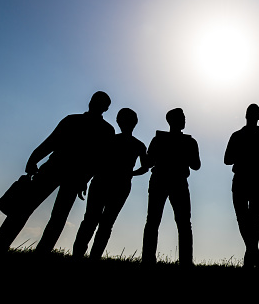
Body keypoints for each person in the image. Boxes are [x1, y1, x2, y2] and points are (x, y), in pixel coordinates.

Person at [0, 91, 115, 254]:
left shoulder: (96, 127)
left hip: (63, 171)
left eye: (97, 102)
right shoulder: (96, 127)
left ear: (105, 108)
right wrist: (34, 159)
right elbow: (53, 142)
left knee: (46, 214)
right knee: (34, 211)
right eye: (94, 100)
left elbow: (98, 160)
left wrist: (34, 159)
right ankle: (1, 246)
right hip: (60, 170)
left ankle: (4, 247)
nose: (93, 104)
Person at [72, 108, 149, 259]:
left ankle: (79, 256)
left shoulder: (112, 140)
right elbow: (145, 167)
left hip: (105, 182)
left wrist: (85, 180)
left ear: (119, 122)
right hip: (117, 184)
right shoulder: (137, 145)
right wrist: (131, 173)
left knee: (92, 220)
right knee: (104, 223)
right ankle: (90, 257)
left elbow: (95, 163)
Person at [141, 108, 201, 267]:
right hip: (174, 181)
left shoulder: (161, 139)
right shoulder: (188, 142)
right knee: (179, 223)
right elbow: (196, 165)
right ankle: (184, 262)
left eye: (184, 117)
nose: (184, 120)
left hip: (165, 180)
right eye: (181, 117)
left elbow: (148, 162)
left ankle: (149, 261)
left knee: (157, 221)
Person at [224, 104, 259, 268]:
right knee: (249, 220)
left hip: (251, 179)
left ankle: (252, 258)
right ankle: (258, 258)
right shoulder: (244, 136)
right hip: (249, 179)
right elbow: (227, 159)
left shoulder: (241, 136)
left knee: (250, 220)